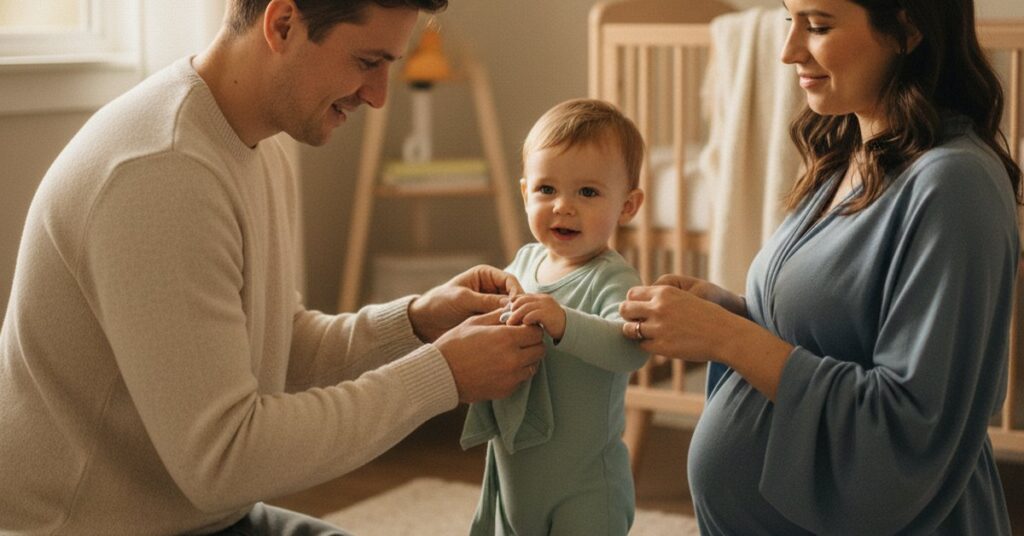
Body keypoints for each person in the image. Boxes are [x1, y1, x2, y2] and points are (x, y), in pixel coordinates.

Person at [0, 1, 547, 534]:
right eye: (367, 62)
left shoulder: (257, 138)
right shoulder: (161, 174)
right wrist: (440, 376)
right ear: (283, 23)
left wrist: (416, 324)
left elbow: (279, 348)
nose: (379, 97)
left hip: (204, 519)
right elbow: (224, 460)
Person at [619, 0, 1021, 534]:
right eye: (791, 20)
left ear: (908, 28)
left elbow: (909, 428)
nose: (787, 51)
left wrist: (727, 337)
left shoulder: (954, 188)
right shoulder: (851, 157)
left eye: (819, 25)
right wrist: (733, 312)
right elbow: (835, 338)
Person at [460, 98, 650, 535]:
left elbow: (629, 349)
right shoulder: (523, 264)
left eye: (587, 192)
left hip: (585, 483)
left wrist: (564, 322)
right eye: (547, 190)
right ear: (525, 192)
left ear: (627, 205)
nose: (563, 206)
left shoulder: (613, 278)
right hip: (512, 467)